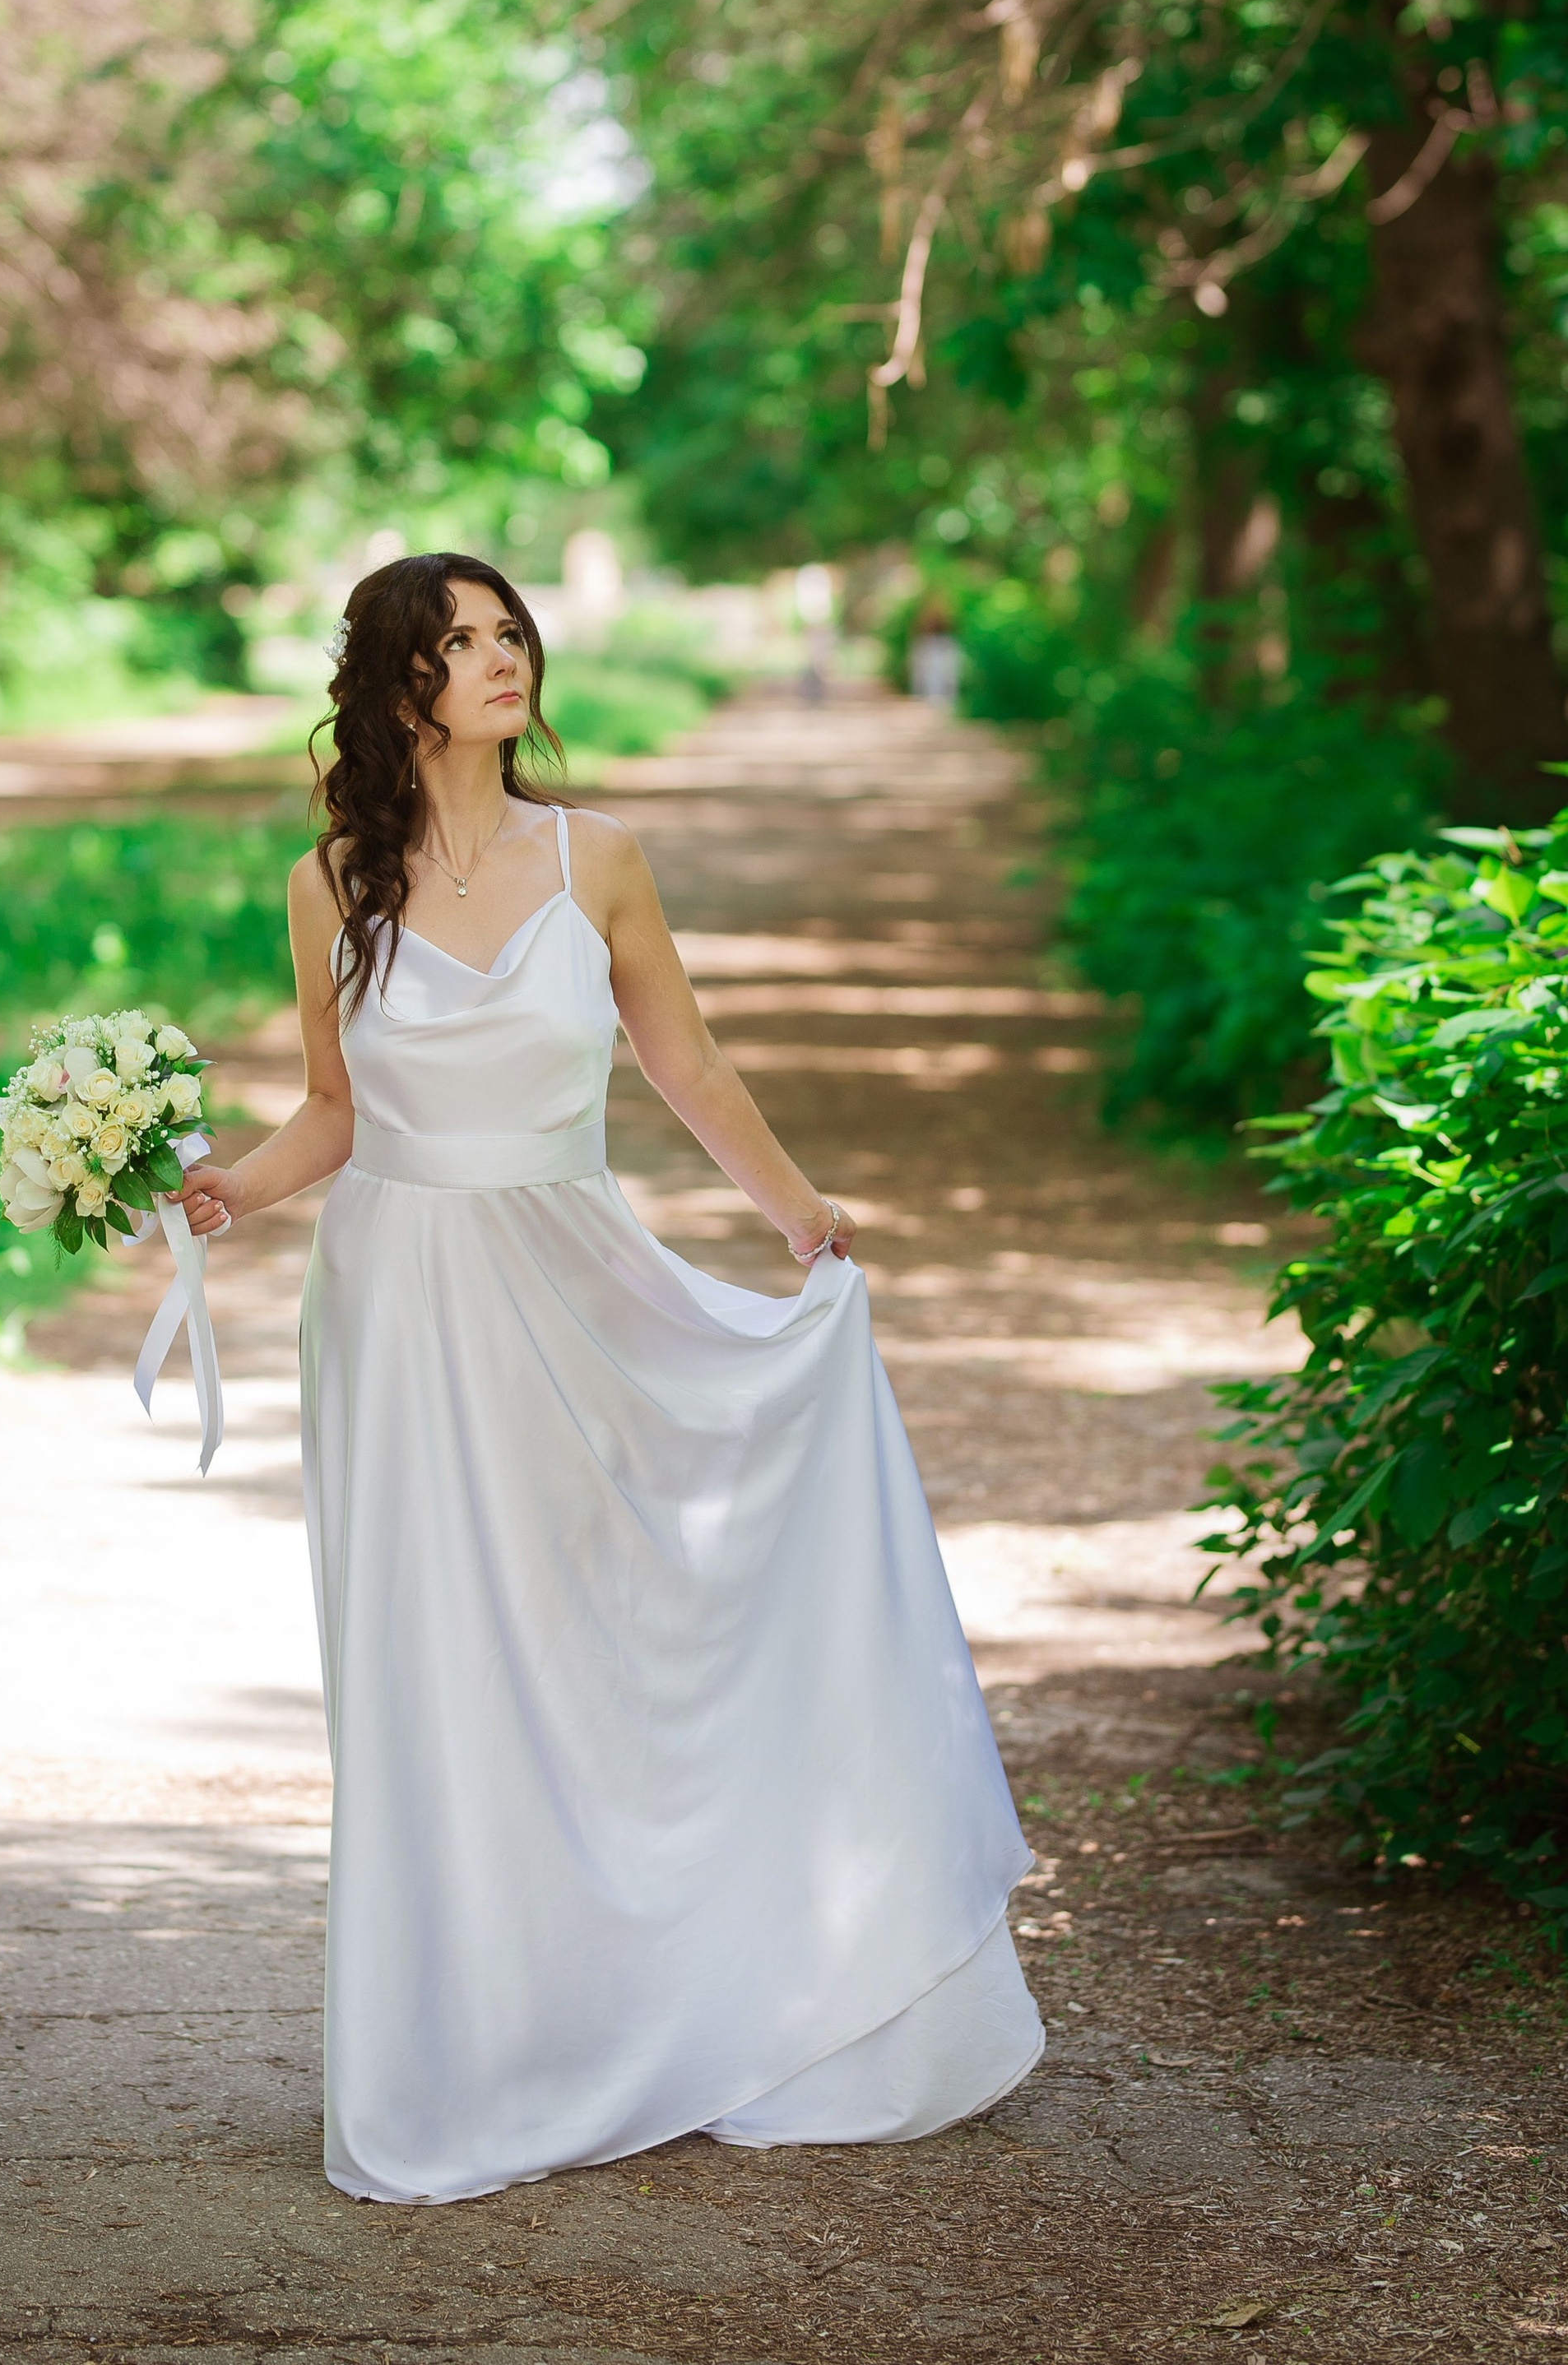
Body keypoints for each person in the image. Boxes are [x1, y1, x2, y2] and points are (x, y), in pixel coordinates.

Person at [178, 552, 1041, 2205]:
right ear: (398, 683)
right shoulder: (331, 881)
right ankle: (472, 2046)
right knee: (434, 1659)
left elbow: (682, 1059)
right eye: (459, 642)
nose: (500, 658)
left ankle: (670, 1995)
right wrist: (232, 1188)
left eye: (511, 632)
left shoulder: (600, 859)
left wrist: (797, 1213)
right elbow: (335, 1112)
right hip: (396, 1308)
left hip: (573, 1289)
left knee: (597, 1635)